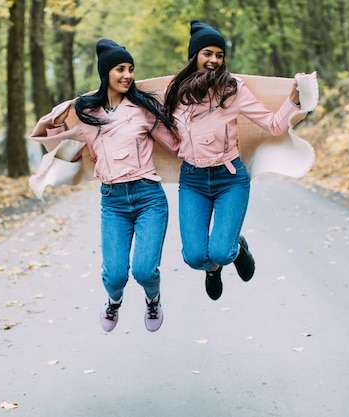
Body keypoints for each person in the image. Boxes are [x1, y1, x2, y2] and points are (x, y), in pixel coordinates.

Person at [30, 39, 178, 332]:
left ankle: (153, 299)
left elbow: (176, 145)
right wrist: (58, 124)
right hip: (113, 202)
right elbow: (66, 148)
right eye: (120, 68)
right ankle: (113, 301)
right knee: (114, 277)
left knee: (145, 271)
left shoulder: (143, 110)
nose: (127, 75)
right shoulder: (88, 114)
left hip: (149, 197)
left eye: (131, 69)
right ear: (106, 72)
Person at [162, 20, 308, 300]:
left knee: (220, 250)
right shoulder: (176, 93)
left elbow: (274, 125)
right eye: (207, 53)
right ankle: (213, 268)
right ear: (194, 56)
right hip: (192, 181)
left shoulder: (233, 89)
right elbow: (152, 122)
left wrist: (292, 99)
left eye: (219, 54)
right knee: (194, 257)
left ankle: (234, 249)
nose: (214, 60)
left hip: (229, 179)